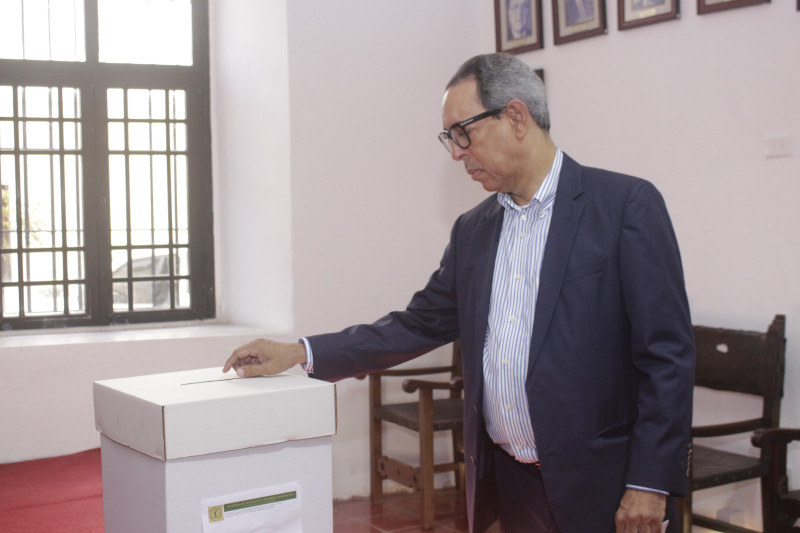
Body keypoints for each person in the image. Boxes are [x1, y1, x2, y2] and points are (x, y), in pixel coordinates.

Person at [223, 53, 695, 533]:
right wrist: (300, 352)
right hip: (513, 483)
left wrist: (649, 482)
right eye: (449, 138)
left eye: (462, 132)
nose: (456, 153)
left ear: (515, 117)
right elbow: (417, 324)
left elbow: (666, 356)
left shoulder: (623, 206)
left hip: (607, 484)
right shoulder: (474, 230)